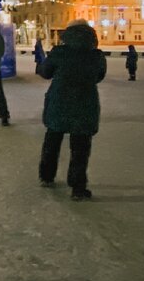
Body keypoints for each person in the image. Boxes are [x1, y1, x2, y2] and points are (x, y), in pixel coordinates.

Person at [37, 20, 107, 201]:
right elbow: (99, 76)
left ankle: (47, 176)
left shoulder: (59, 52)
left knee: (52, 140)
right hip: (84, 103)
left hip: (59, 102)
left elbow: (46, 72)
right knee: (80, 148)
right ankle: (77, 187)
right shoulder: (96, 56)